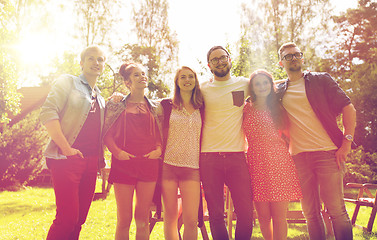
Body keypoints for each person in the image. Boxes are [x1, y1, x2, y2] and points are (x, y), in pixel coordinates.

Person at [277, 42, 356, 239]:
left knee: (336, 210)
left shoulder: (321, 80)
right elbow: (258, 88)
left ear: (302, 58)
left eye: (297, 54)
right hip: (299, 158)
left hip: (327, 154)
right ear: (281, 62)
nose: (294, 58)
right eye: (288, 56)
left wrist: (346, 144)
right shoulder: (279, 91)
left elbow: (349, 109)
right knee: (310, 214)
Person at [40, 45, 106, 240]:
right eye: (91, 58)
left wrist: (100, 162)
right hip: (66, 159)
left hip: (91, 161)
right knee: (67, 218)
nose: (96, 62)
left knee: (79, 220)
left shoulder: (101, 97)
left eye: (100, 59)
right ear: (82, 63)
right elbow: (48, 112)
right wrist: (66, 148)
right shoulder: (68, 82)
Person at [103, 62, 162, 240]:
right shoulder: (116, 105)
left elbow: (161, 132)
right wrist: (117, 152)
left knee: (143, 219)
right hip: (123, 164)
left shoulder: (156, 106)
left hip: (149, 165)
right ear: (127, 82)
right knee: (124, 220)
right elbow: (107, 134)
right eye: (136, 75)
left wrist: (159, 149)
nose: (142, 76)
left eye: (143, 73)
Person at [200, 46, 254, 239]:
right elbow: (177, 97)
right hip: (208, 159)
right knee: (215, 215)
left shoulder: (245, 83)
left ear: (230, 59)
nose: (220, 62)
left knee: (246, 213)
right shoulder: (202, 88)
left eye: (223, 57)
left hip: (237, 157)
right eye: (215, 60)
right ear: (209, 65)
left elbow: (270, 86)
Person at [242, 69, 302, 240]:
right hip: (255, 163)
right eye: (257, 84)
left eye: (265, 82)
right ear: (252, 88)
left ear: (271, 84)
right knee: (262, 215)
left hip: (279, 162)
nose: (262, 86)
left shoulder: (280, 107)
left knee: (279, 216)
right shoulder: (245, 109)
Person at [157, 66, 204, 240]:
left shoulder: (203, 106)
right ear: (177, 82)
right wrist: (118, 98)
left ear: (195, 80)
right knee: (170, 218)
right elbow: (142, 104)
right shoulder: (166, 105)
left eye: (190, 76)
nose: (187, 80)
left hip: (192, 168)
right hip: (169, 166)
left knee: (191, 220)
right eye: (182, 77)